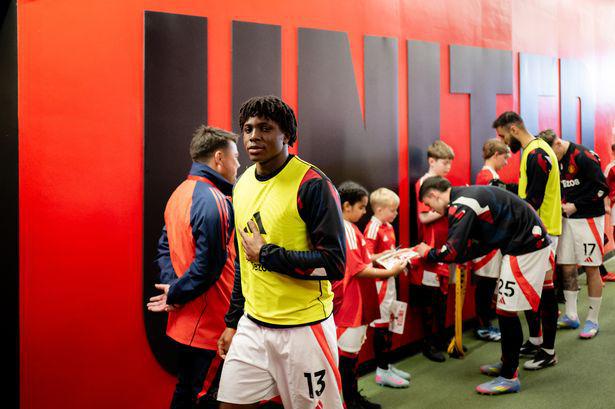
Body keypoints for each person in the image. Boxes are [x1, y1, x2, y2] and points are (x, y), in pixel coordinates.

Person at [216, 96, 346, 409]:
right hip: (253, 326)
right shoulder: (242, 184)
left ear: (286, 135)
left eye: (265, 128)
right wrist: (233, 321)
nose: (253, 136)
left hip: (303, 330)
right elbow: (244, 262)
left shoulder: (312, 184)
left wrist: (268, 255)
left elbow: (334, 265)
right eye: (248, 129)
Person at [416, 176, 553, 395]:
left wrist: (427, 253)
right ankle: (508, 363)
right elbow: (484, 244)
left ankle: (509, 376)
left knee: (507, 311)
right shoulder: (466, 195)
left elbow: (451, 252)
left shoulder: (462, 204)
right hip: (524, 243)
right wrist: (458, 255)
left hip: (525, 246)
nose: (431, 209)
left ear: (434, 194)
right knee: (505, 310)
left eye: (429, 203)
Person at [148, 125, 240, 409]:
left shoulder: (180, 193)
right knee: (198, 396)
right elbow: (209, 266)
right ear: (219, 158)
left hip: (189, 319)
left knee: (188, 391)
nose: (239, 165)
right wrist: (174, 293)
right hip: (211, 322)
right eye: (236, 157)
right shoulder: (213, 200)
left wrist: (173, 291)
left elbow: (163, 248)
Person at [492, 112, 561, 369]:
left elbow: (532, 201)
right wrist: (505, 189)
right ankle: (536, 341)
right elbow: (526, 192)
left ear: (513, 129)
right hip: (538, 231)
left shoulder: (536, 154)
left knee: (545, 292)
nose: (502, 141)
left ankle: (548, 351)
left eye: (503, 136)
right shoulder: (533, 150)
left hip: (541, 233)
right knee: (537, 290)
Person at [334, 181, 408, 408]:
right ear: (347, 206)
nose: (365, 212)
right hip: (351, 301)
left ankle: (353, 398)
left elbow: (365, 260)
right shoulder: (346, 228)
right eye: (361, 207)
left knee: (351, 354)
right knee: (348, 355)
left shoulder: (350, 228)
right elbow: (358, 269)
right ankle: (350, 401)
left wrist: (391, 257)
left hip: (357, 299)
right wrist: (392, 271)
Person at [538, 129, 608, 339]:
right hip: (565, 220)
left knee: (591, 267)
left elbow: (602, 189)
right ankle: (571, 314)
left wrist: (576, 205)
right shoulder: (555, 159)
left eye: (552, 153)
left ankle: (593, 320)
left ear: (558, 144)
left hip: (589, 219)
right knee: (566, 266)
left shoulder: (583, 156)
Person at [363, 188, 411, 387]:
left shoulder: (388, 226)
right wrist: (387, 257)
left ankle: (387, 365)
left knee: (390, 324)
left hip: (390, 280)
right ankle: (381, 371)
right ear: (380, 210)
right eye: (393, 210)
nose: (396, 213)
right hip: (378, 284)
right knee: (381, 327)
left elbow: (389, 252)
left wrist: (400, 257)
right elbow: (365, 258)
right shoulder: (372, 228)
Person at [413, 140, 454, 362]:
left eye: (449, 163)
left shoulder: (444, 183)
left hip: (445, 247)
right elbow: (423, 217)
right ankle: (428, 344)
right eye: (444, 163)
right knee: (430, 299)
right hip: (429, 248)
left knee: (442, 297)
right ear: (431, 161)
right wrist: (447, 208)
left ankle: (441, 338)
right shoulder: (423, 184)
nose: (448, 167)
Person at [471, 139, 510, 342]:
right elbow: (488, 210)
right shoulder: (487, 176)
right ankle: (482, 326)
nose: (506, 162)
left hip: (492, 238)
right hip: (488, 239)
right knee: (486, 283)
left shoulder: (490, 175)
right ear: (496, 154)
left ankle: (486, 323)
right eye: (505, 157)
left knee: (490, 282)